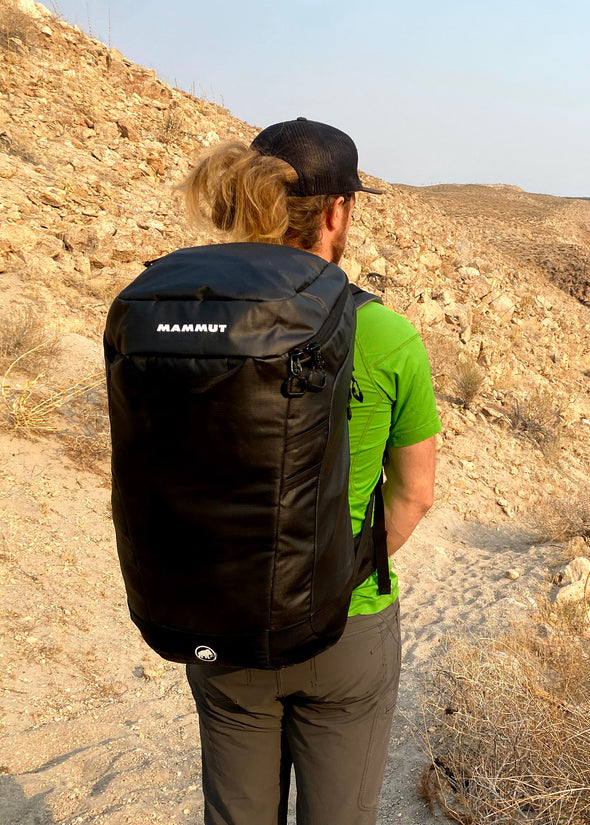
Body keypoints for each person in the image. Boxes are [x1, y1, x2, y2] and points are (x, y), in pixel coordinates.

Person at [178, 118, 440, 825]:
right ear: (336, 211)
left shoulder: (190, 320)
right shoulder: (386, 336)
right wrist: (330, 577)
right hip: (342, 626)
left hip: (226, 626)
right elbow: (414, 496)